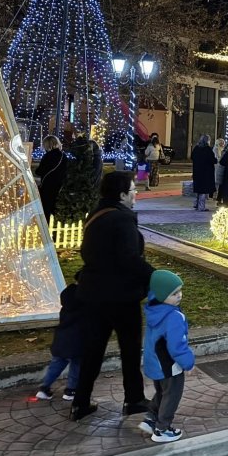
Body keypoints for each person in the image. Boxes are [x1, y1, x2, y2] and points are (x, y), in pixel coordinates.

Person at [70, 171, 155, 421]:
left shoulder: (95, 215)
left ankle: (80, 403)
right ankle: (134, 399)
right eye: (132, 191)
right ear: (121, 195)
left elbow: (90, 253)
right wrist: (155, 277)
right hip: (121, 297)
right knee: (129, 350)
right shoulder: (121, 220)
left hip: (93, 294)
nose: (135, 195)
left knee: (93, 351)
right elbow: (130, 259)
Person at [139, 270, 195, 443]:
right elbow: (177, 345)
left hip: (155, 364)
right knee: (172, 395)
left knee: (162, 391)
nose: (179, 296)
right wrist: (188, 363)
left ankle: (151, 418)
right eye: (174, 293)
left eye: (180, 291)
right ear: (161, 295)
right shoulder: (173, 316)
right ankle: (162, 429)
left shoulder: (155, 311)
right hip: (170, 366)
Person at [35, 275, 83, 402]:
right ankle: (71, 390)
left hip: (62, 337)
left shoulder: (67, 300)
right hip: (78, 339)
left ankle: (44, 388)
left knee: (57, 363)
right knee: (77, 363)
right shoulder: (84, 301)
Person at [35, 136, 68, 228]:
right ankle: (55, 230)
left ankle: (45, 229)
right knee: (55, 209)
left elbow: (39, 171)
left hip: (47, 186)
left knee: (45, 209)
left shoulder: (47, 156)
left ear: (47, 145)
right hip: (60, 186)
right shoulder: (63, 156)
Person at [190, 134, 216, 211]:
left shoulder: (196, 148)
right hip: (205, 173)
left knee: (198, 189)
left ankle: (196, 204)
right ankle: (201, 206)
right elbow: (212, 160)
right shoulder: (207, 149)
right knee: (203, 190)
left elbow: (192, 157)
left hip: (197, 171)